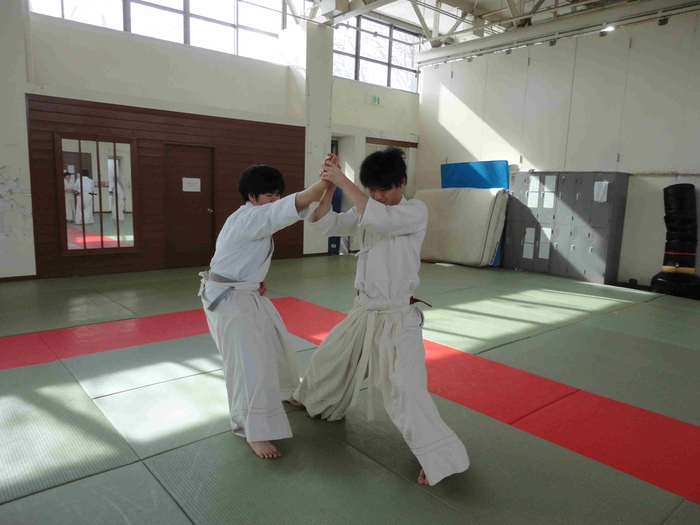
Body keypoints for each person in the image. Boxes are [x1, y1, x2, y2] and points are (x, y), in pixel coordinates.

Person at [293, 148, 470, 486]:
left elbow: (382, 220)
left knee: (405, 388)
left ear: (401, 182)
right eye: (371, 190)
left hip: (396, 317)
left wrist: (343, 179)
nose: (377, 196)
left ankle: (440, 458)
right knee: (331, 356)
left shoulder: (414, 211)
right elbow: (327, 224)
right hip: (364, 310)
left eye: (384, 190)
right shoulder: (367, 208)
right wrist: (329, 185)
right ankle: (311, 398)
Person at [199, 165, 329, 460]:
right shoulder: (248, 217)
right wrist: (326, 182)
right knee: (248, 364)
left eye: (278, 195)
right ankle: (252, 430)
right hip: (229, 301)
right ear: (252, 196)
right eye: (269, 195)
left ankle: (285, 390)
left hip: (242, 291)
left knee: (275, 341)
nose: (275, 200)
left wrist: (254, 278)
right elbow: (286, 209)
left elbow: (238, 255)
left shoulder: (252, 217)